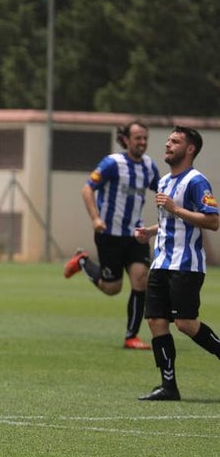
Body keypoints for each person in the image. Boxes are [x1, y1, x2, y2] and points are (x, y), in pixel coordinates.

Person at [132, 126, 220, 401]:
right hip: (161, 262)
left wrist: (175, 208)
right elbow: (170, 221)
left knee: (184, 323)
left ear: (190, 149)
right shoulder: (164, 181)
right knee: (156, 321)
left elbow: (213, 220)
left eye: (175, 141)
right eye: (168, 140)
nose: (167, 145)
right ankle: (168, 386)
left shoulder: (196, 181)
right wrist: (150, 230)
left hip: (186, 265)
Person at [63, 121, 161, 349]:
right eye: (138, 138)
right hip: (110, 235)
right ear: (126, 140)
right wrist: (96, 219)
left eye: (145, 138)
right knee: (112, 288)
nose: (142, 142)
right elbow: (87, 189)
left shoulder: (149, 167)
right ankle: (84, 261)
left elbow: (161, 192)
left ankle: (131, 337)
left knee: (140, 279)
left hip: (136, 234)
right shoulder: (112, 163)